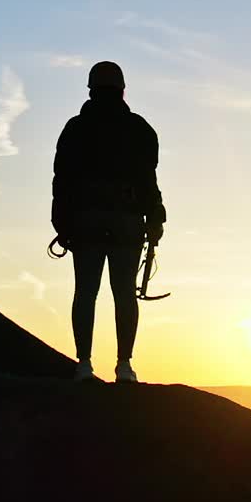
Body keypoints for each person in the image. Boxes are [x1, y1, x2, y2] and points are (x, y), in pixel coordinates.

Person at [51, 61, 166, 383]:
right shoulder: (139, 129)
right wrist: (155, 217)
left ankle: (84, 364)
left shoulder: (75, 128)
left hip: (85, 219)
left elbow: (62, 178)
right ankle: (124, 366)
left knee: (86, 292)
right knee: (124, 294)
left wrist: (61, 220)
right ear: (122, 89)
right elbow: (148, 180)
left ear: (91, 90)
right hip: (127, 220)